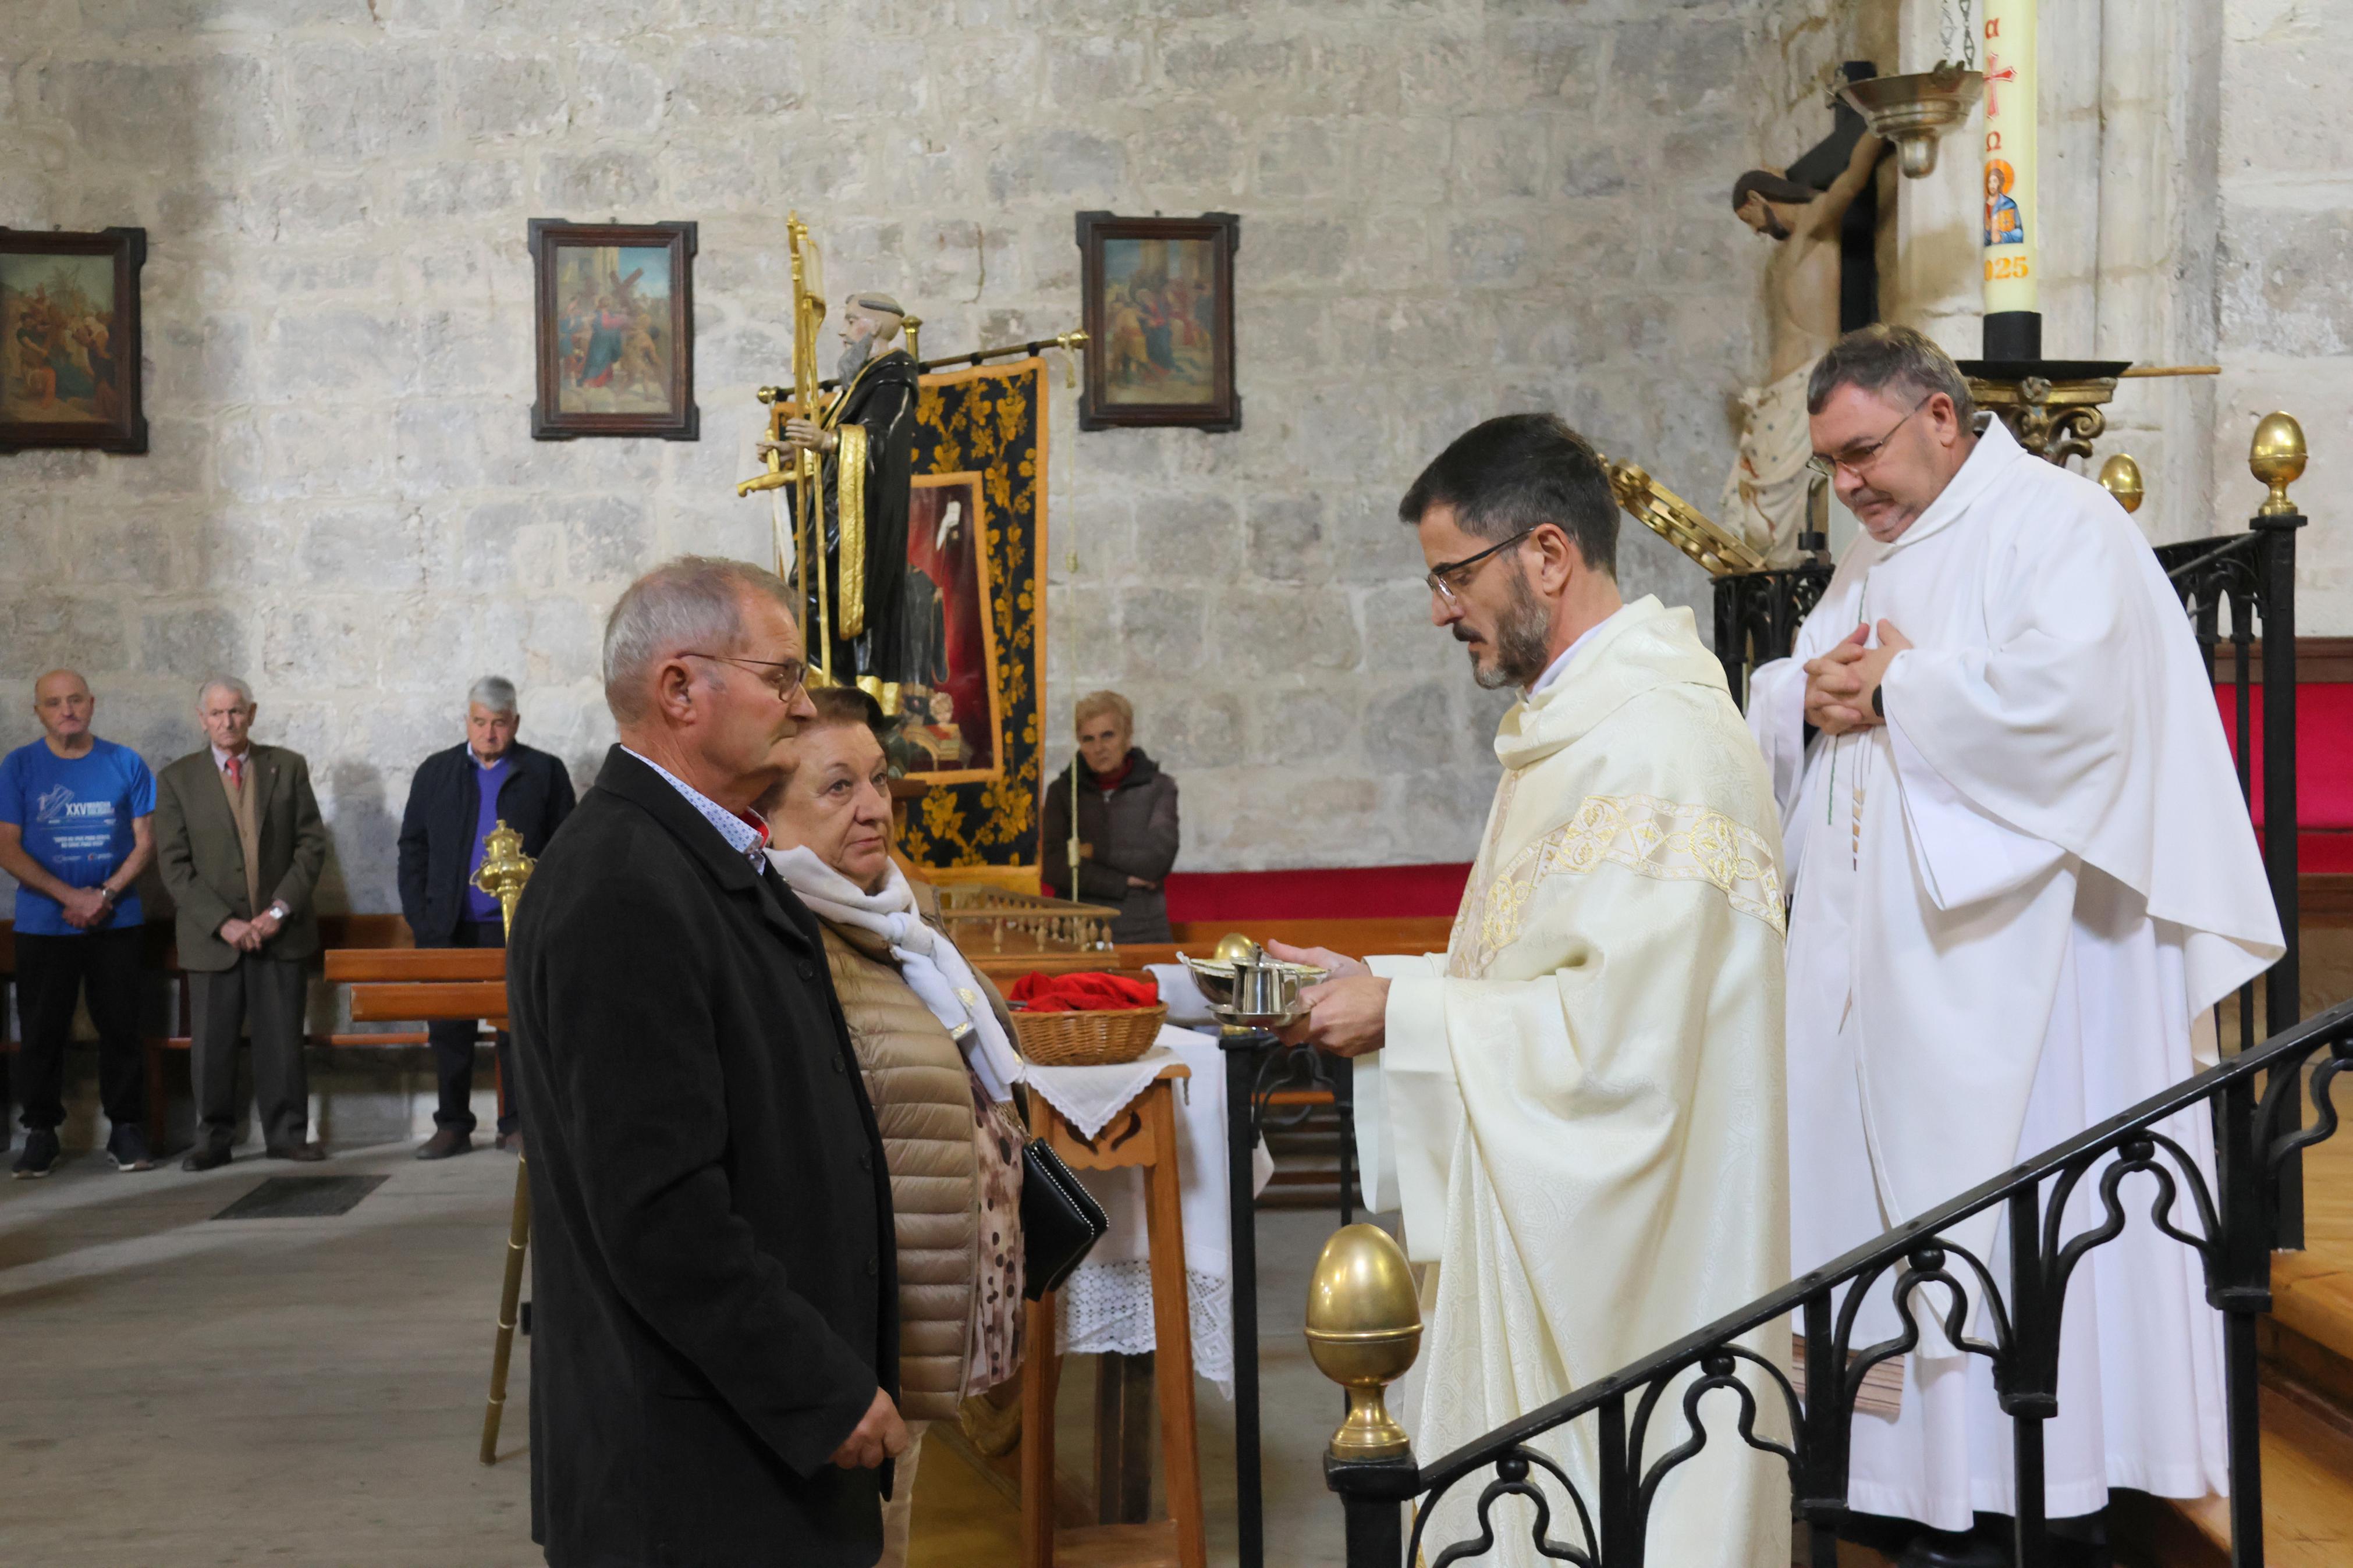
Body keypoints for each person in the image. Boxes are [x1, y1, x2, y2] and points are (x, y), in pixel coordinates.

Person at [1748, 325, 2281, 1565]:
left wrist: (1895, 692)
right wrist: (1803, 696)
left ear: (1938, 416)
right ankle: (1888, 1479)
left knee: (2018, 1211)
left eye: (1861, 453)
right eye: (1829, 465)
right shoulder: (1872, 550)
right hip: (1872, 968)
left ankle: (2032, 1481)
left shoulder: (2058, 526)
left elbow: (2078, 707)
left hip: (2027, 973)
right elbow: (1809, 681)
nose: (1848, 487)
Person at [1273, 413, 1790, 1568]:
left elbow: (1620, 1063)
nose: (1437, 608)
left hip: (1638, 1299)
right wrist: (1386, 989)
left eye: (1452, 575)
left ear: (1545, 556)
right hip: (1553, 1258)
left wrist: (1401, 1018)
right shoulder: (1576, 732)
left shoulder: (1655, 749)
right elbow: (1542, 979)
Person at [507, 556, 906, 1568]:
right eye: (780, 676)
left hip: (742, 1448)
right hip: (693, 1469)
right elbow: (660, 1213)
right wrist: (815, 1387)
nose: (801, 700)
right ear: (680, 689)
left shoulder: (696, 856)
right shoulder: (624, 884)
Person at [764, 685, 1027, 1568]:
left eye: (877, 778)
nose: (875, 805)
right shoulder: (791, 939)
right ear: (769, 809)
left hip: (922, 1331)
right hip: (860, 1338)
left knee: (894, 1539)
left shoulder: (897, 922)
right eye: (838, 787)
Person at [395, 675, 576, 1160]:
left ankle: (517, 1123)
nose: (490, 733)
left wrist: (547, 916)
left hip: (517, 926)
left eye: (499, 723)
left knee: (517, 1029)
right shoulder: (436, 773)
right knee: (449, 1030)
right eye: (480, 722)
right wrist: (422, 917)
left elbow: (566, 849)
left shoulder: (545, 772)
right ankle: (452, 1124)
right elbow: (413, 846)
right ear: (467, 720)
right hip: (448, 928)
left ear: (515, 721)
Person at [154, 677, 331, 1170]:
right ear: (201, 718)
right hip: (213, 939)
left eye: (235, 712)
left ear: (251, 713)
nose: (227, 722)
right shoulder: (176, 780)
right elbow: (174, 865)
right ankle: (213, 1139)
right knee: (211, 1047)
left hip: (281, 932)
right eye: (216, 713)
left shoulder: (288, 766)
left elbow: (310, 845)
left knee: (282, 1041)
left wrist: (277, 912)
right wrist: (224, 923)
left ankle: (288, 1134)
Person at [0, 669, 158, 1176]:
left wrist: (105, 894)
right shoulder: (18, 766)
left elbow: (145, 842)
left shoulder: (125, 762)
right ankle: (42, 1132)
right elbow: (6, 845)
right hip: (45, 922)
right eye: (53, 702)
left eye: (74, 700)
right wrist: (70, 895)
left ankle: (127, 1128)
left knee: (122, 1025)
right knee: (43, 1029)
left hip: (117, 919)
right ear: (38, 711)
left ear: (92, 703)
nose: (66, 709)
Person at [1723, 131, 1886, 564]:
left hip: (1805, 392)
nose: (1757, 231)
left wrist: (1876, 123)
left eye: (1751, 218)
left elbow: (1851, 181)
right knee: (1749, 518)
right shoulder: (1780, 258)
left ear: (1759, 198)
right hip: (1775, 404)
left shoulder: (1816, 225)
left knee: (1787, 525)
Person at [762, 291, 919, 700]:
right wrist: (792, 451)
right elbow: (832, 456)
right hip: (833, 515)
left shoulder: (894, 375)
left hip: (857, 526)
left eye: (853, 321)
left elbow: (881, 442)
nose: (843, 330)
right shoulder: (861, 382)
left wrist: (827, 440)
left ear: (881, 326)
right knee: (806, 596)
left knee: (817, 600)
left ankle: (828, 691)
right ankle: (818, 686)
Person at [1040, 691, 1179, 943]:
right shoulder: (1062, 792)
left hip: (1143, 931)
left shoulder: (1159, 788)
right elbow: (1053, 866)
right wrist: (1124, 881)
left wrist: (1091, 852)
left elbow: (1157, 862)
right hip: (1077, 932)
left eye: (1108, 735)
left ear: (1127, 736)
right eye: (1088, 739)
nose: (1099, 748)